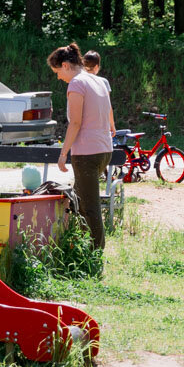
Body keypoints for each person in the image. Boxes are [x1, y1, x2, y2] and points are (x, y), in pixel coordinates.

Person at [48, 43, 113, 250]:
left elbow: (75, 123)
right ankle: (79, 246)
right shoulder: (98, 81)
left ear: (65, 65)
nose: (58, 77)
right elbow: (108, 112)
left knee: (89, 207)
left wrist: (63, 153)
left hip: (87, 153)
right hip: (104, 150)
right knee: (80, 202)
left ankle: (95, 256)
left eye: (57, 72)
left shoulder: (76, 84)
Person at [82, 49, 117, 135]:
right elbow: (108, 106)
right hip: (100, 128)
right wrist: (112, 124)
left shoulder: (79, 81)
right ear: (97, 66)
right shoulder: (103, 82)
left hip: (84, 127)